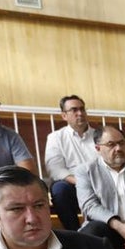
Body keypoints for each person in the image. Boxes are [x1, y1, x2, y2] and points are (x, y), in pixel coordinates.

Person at [43, 94, 98, 231]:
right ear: (64, 116)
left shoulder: (100, 135)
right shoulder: (56, 137)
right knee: (59, 189)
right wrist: (80, 182)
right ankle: (74, 232)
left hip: (100, 183)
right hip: (74, 185)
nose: (79, 113)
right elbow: (55, 169)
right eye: (74, 110)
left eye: (82, 109)